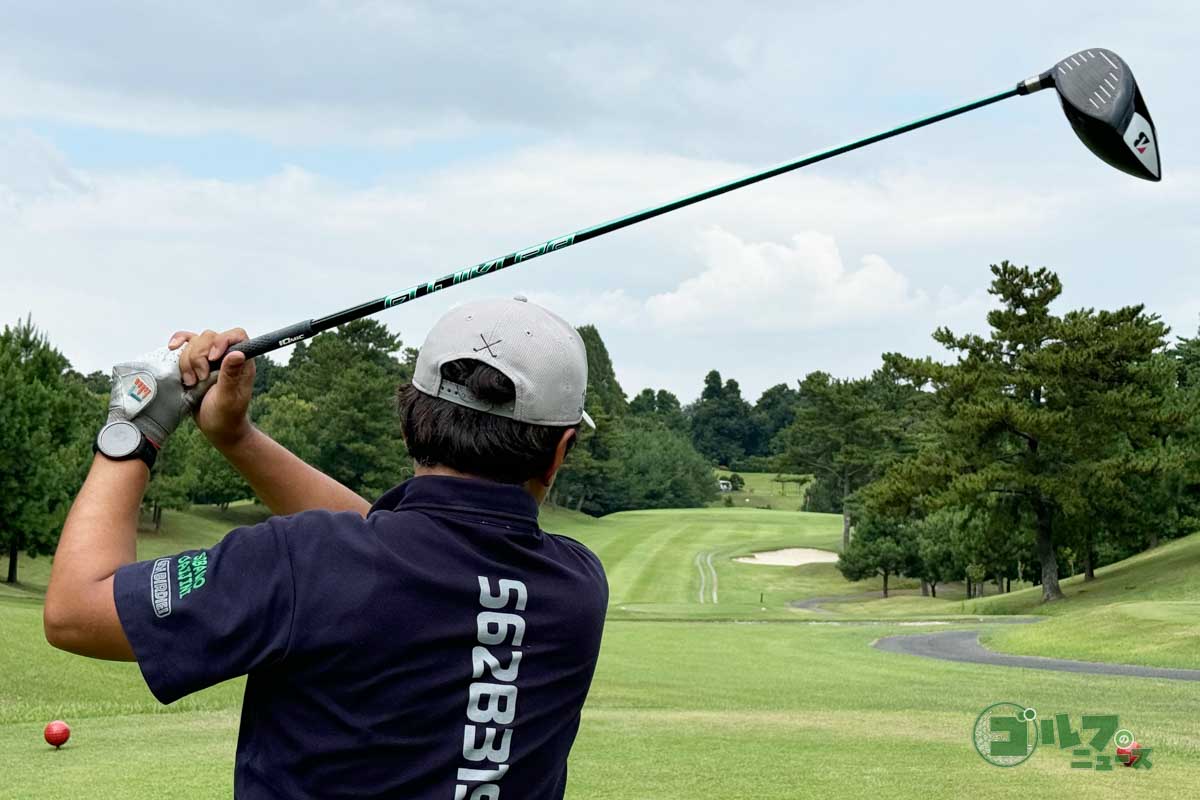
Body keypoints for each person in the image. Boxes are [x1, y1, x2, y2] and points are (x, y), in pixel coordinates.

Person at [44, 296, 609, 799]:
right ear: (561, 450)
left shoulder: (305, 563)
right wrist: (236, 439)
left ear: (409, 420)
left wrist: (136, 424)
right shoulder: (578, 587)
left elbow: (76, 610)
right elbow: (393, 548)